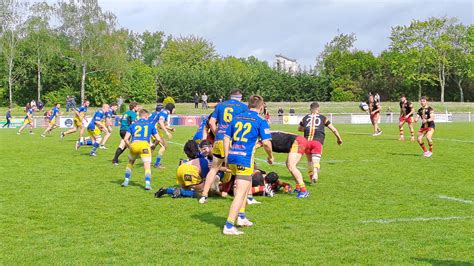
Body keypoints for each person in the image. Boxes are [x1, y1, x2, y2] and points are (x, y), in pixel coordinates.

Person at [222, 95, 273, 235]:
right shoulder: (261, 120)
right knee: (239, 193)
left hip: (232, 156)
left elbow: (226, 138)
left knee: (245, 187)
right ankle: (229, 225)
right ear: (261, 106)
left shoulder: (236, 117)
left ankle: (242, 217)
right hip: (245, 159)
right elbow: (267, 143)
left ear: (247, 104)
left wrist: (227, 156)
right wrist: (270, 156)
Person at [198, 89, 249, 204]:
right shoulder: (243, 107)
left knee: (214, 168)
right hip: (234, 141)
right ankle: (245, 197)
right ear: (240, 97)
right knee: (241, 170)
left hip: (219, 140)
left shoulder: (220, 106)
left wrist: (218, 134)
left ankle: (204, 195)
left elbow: (211, 123)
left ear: (230, 96)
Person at [298, 102, 343, 190]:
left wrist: (309, 128)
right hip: (317, 142)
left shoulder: (305, 118)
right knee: (316, 161)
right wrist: (339, 138)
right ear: (318, 109)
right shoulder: (323, 118)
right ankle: (315, 174)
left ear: (310, 109)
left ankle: (311, 178)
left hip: (306, 142)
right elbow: (333, 129)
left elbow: (299, 129)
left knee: (309, 161)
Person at [121, 109, 162, 190]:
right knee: (147, 165)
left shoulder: (133, 125)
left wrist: (129, 147)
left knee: (130, 163)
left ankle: (126, 181)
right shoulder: (150, 125)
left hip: (134, 145)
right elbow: (158, 139)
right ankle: (147, 184)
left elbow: (125, 139)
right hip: (144, 146)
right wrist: (154, 145)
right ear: (146, 116)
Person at [263, 131, 308, 197]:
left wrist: (270, 157)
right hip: (298, 140)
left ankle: (304, 191)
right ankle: (298, 187)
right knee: (289, 164)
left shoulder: (262, 138)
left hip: (298, 141)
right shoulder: (265, 134)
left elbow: (266, 144)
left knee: (291, 165)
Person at [152, 103, 176, 168]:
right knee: (164, 146)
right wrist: (167, 132)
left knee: (155, 145)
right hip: (154, 130)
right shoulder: (164, 113)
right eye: (174, 109)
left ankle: (147, 158)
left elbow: (160, 124)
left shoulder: (164, 112)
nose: (174, 110)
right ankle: (156, 164)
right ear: (171, 108)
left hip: (154, 130)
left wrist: (170, 129)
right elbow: (160, 122)